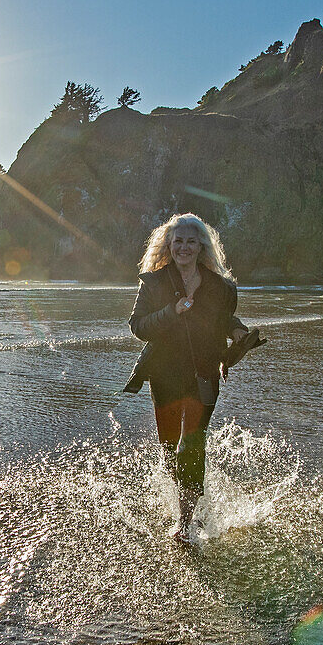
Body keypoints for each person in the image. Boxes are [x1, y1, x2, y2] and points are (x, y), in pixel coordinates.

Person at [127, 213, 248, 539]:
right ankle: (186, 501)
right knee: (169, 449)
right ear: (169, 244)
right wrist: (171, 311)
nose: (183, 247)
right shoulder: (154, 282)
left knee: (191, 446)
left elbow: (226, 319)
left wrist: (237, 331)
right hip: (164, 375)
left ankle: (184, 522)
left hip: (203, 374)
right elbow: (137, 326)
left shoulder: (219, 286)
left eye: (190, 241)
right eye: (178, 241)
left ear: (201, 246)